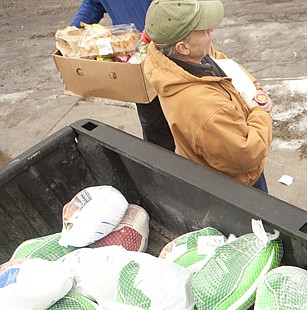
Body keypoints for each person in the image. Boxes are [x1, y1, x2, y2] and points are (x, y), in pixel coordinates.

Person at [142, 0, 272, 191]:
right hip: (239, 185)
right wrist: (260, 111)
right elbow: (248, 152)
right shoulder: (206, 108)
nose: (210, 31)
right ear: (182, 48)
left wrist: (253, 87)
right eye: (203, 31)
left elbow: (220, 61)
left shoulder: (174, 60)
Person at [70, 0, 176, 152]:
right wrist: (72, 32)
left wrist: (158, 26)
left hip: (175, 48)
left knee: (192, 117)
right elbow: (93, 4)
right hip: (136, 57)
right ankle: (163, 171)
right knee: (154, 126)